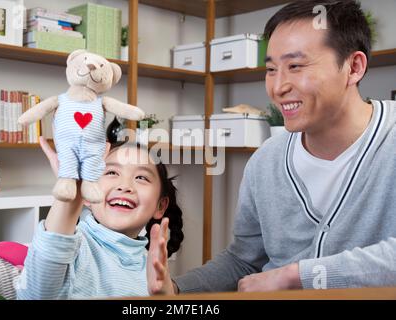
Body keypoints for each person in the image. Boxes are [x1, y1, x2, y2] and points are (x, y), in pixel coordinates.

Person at [149, 0, 396, 294]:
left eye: (295, 66)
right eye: (270, 69)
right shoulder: (266, 159)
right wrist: (175, 290)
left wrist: (297, 276)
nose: (278, 87)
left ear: (354, 67)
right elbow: (244, 261)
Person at [16, 138, 184, 299]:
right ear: (89, 193)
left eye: (141, 177)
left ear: (160, 206)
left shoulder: (153, 267)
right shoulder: (73, 246)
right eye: (111, 172)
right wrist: (72, 196)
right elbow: (36, 294)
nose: (125, 186)